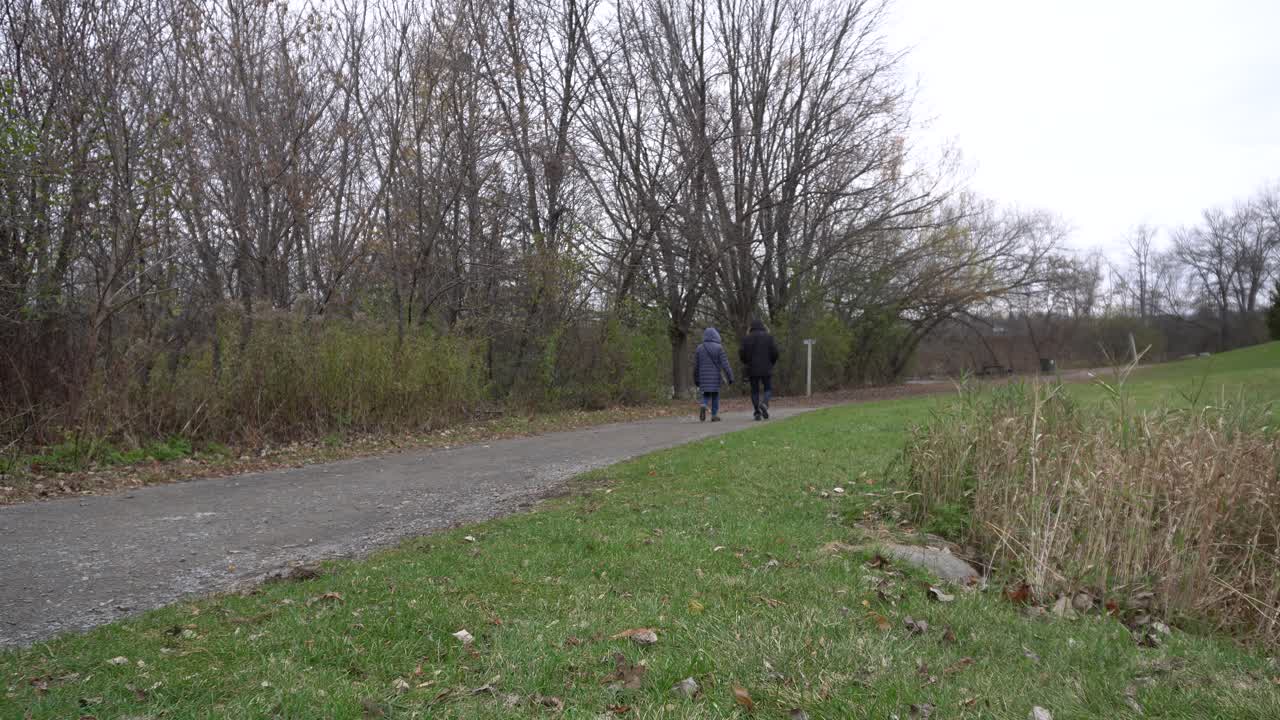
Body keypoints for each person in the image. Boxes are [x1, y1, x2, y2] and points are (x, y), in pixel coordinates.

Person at [738, 318, 779, 420]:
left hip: (752, 368)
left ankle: (757, 412)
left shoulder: (746, 338)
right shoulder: (769, 337)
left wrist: (746, 362)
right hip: (766, 367)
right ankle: (764, 404)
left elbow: (741, 354)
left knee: (754, 390)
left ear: (751, 327)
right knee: (768, 388)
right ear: (762, 326)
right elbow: (775, 353)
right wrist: (771, 362)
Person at [693, 327, 734, 422]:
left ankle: (703, 404)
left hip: (703, 377)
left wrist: (696, 378)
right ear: (716, 336)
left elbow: (696, 365)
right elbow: (725, 364)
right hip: (715, 376)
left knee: (706, 393)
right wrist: (730, 376)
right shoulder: (719, 348)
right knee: (715, 394)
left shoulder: (699, 348)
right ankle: (714, 415)